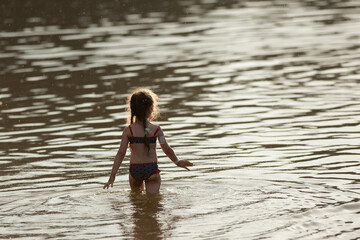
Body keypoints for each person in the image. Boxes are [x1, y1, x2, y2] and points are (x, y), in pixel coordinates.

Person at [103, 88, 193, 194]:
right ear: (151, 108)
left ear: (133, 109)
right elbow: (166, 148)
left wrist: (112, 175)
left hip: (135, 170)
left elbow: (121, 153)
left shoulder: (129, 131)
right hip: (151, 169)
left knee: (136, 204)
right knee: (153, 205)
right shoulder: (156, 130)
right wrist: (177, 161)